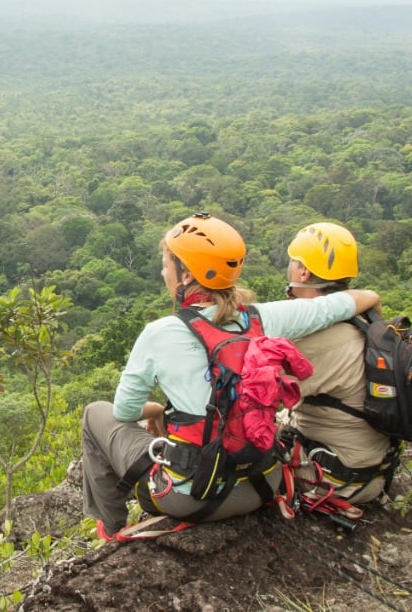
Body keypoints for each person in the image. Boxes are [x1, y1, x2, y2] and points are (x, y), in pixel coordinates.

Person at [81, 213, 381, 540]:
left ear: (186, 275)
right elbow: (340, 304)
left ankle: (111, 529)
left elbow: (124, 412)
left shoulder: (160, 333)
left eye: (167, 264)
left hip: (188, 497)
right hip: (261, 486)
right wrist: (374, 299)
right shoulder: (264, 318)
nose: (163, 271)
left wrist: (154, 410)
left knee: (95, 413)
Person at [282, 222, 396, 505]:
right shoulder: (364, 318)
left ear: (303, 272)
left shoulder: (318, 339)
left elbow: (253, 398)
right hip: (372, 467)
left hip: (339, 479)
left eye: (293, 262)